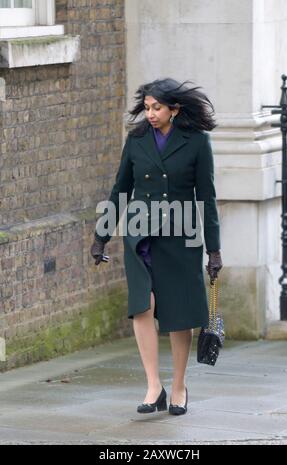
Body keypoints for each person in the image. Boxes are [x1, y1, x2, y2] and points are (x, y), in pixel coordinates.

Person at [90, 78, 223, 415]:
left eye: (156, 108)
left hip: (181, 235)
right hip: (141, 235)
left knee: (179, 314)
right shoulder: (135, 140)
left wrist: (214, 249)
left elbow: (207, 199)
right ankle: (153, 386)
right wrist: (101, 235)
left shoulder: (196, 142)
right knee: (142, 305)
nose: (149, 113)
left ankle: (178, 386)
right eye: (147, 107)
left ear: (174, 109)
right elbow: (121, 189)